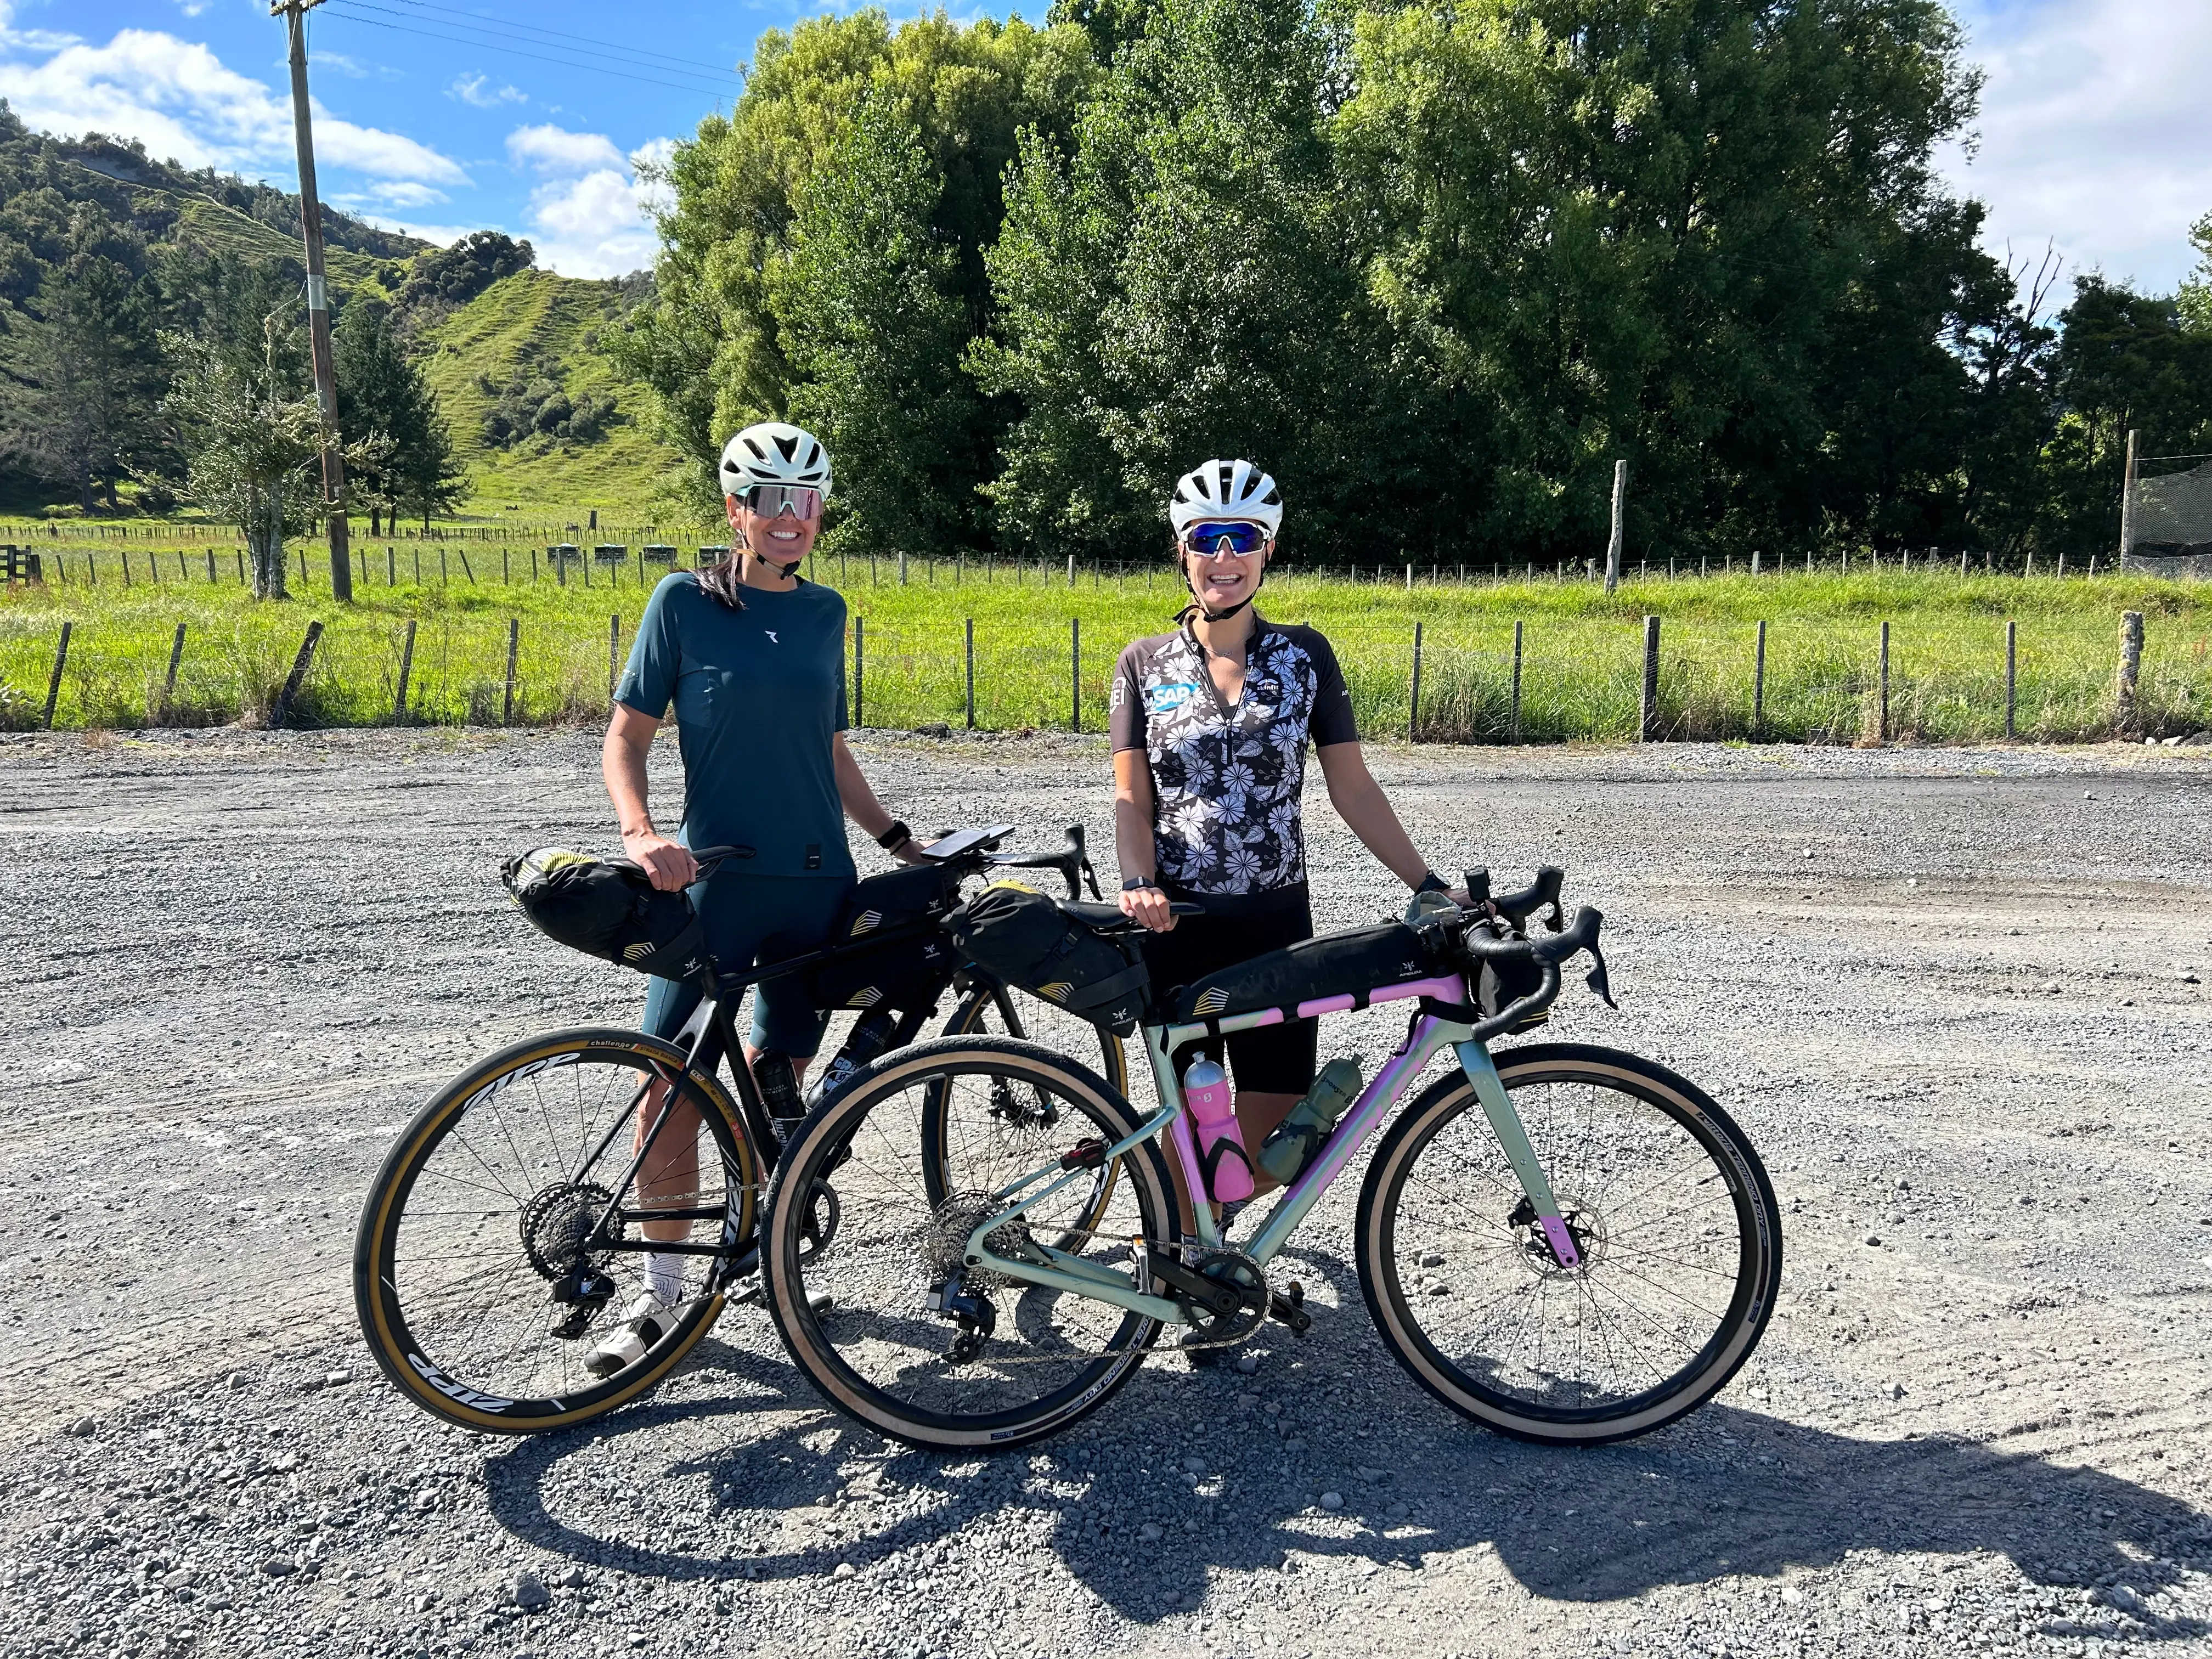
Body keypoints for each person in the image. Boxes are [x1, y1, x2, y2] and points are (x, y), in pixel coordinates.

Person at [588, 421, 923, 1375]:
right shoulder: (683, 603)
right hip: (716, 884)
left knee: (780, 1083)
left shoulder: (826, 611)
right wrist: (641, 834)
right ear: (736, 509)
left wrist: (896, 839)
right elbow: (625, 739)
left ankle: (763, 1247)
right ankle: (660, 1294)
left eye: (805, 501)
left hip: (817, 883)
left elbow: (829, 747)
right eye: (770, 500)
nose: (790, 517)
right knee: (668, 1087)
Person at [1109, 458, 1449, 1228]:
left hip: (1276, 924)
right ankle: (1184, 1256)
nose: (1224, 557)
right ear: (1182, 550)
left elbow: (1353, 789)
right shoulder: (1142, 663)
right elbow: (1132, 797)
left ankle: (1215, 1224)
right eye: (1207, 539)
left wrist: (1426, 883)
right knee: (1187, 1128)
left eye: (1242, 538)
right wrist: (1137, 881)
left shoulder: (1305, 656)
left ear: (1267, 550)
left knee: (1274, 1137)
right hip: (1179, 927)